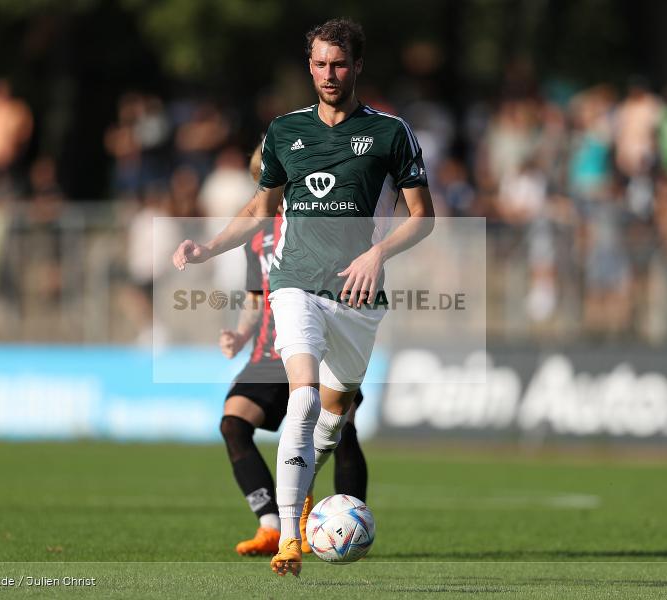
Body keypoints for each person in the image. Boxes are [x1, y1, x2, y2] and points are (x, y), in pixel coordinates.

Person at [173, 18, 434, 576]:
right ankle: (289, 536)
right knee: (304, 399)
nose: (328, 74)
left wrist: (377, 254)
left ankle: (306, 491)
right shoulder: (284, 130)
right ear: (309, 66)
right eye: (319, 64)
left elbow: (423, 218)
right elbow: (260, 210)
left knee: (334, 421)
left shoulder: (391, 133)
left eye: (338, 64)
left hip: (359, 298)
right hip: (295, 284)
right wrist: (209, 247)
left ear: (357, 65)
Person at [220, 145, 368, 556]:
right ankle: (271, 525)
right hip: (270, 353)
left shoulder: (326, 220)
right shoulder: (255, 236)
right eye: (262, 183)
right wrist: (241, 334)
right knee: (233, 423)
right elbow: (255, 296)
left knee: (340, 430)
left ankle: (352, 524)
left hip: (321, 346)